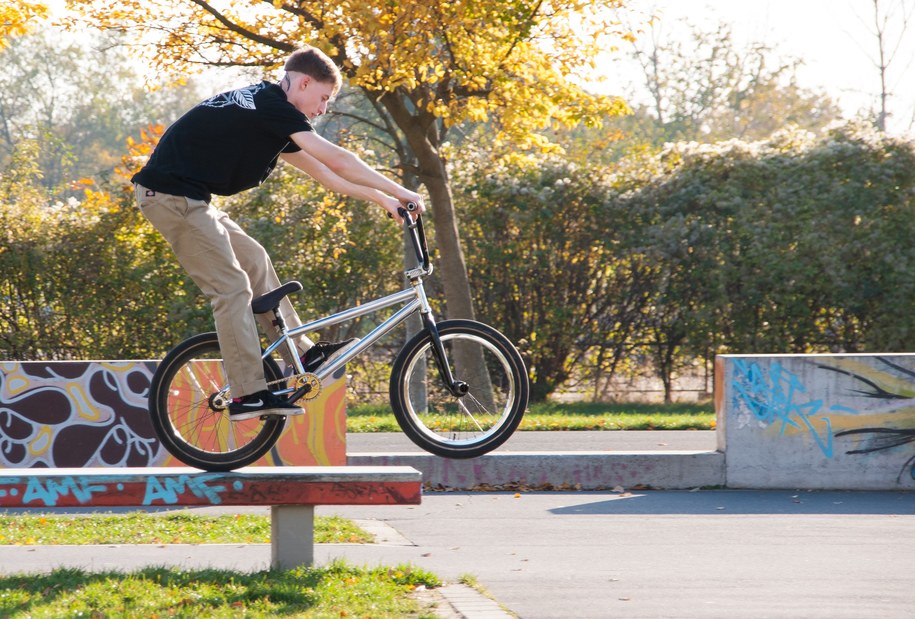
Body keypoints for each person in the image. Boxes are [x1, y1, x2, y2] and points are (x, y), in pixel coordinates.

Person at [133, 46, 425, 421]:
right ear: (303, 82)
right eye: (322, 98)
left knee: (255, 259)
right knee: (232, 288)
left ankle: (301, 353)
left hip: (191, 201)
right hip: (170, 198)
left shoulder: (268, 112)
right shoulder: (271, 106)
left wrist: (383, 200)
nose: (322, 110)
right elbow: (338, 159)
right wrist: (402, 190)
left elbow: (326, 174)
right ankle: (247, 395)